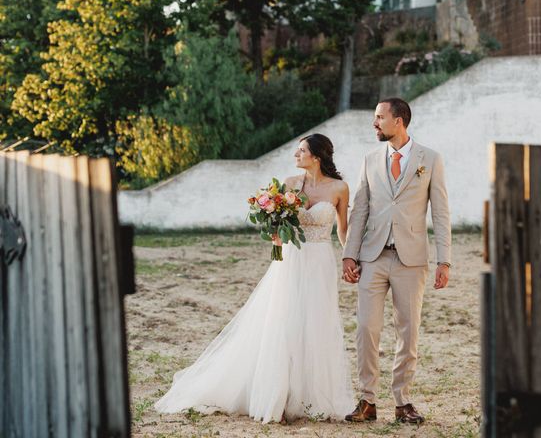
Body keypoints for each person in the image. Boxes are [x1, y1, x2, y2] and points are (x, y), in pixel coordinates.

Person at [155, 133, 354, 423]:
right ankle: (279, 397)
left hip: (320, 261)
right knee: (283, 322)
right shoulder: (289, 184)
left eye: (301, 151)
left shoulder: (340, 188)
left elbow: (342, 230)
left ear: (317, 156)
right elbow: (278, 223)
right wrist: (275, 233)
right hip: (290, 259)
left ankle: (311, 398)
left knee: (315, 322)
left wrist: (351, 256)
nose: (295, 155)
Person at [342, 98, 452, 424]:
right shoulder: (370, 159)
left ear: (399, 121)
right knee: (366, 329)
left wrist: (444, 261)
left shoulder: (429, 159)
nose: (374, 123)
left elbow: (441, 213)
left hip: (411, 260)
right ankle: (367, 401)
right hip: (372, 258)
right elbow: (359, 209)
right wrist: (349, 253)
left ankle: (403, 402)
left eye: (379, 117)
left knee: (408, 332)